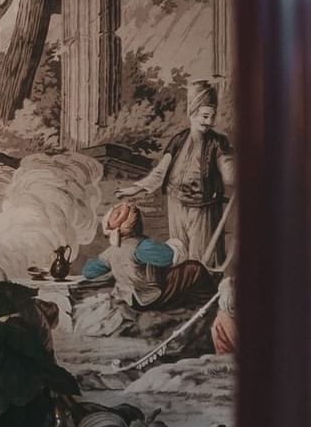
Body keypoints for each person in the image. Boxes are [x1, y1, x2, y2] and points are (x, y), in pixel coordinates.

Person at [117, 80, 234, 266]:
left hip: (203, 208)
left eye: (212, 116)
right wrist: (137, 188)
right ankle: (181, 289)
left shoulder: (217, 142)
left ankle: (199, 292)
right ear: (192, 113)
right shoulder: (179, 140)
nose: (210, 122)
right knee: (178, 253)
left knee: (200, 258)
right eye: (205, 116)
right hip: (176, 204)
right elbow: (161, 172)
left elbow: (229, 175)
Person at [81, 202, 215, 311]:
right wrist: (175, 245)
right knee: (194, 268)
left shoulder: (110, 252)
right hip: (149, 299)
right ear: (136, 223)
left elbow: (88, 271)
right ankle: (210, 304)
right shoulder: (141, 246)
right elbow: (168, 257)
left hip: (130, 299)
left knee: (157, 270)